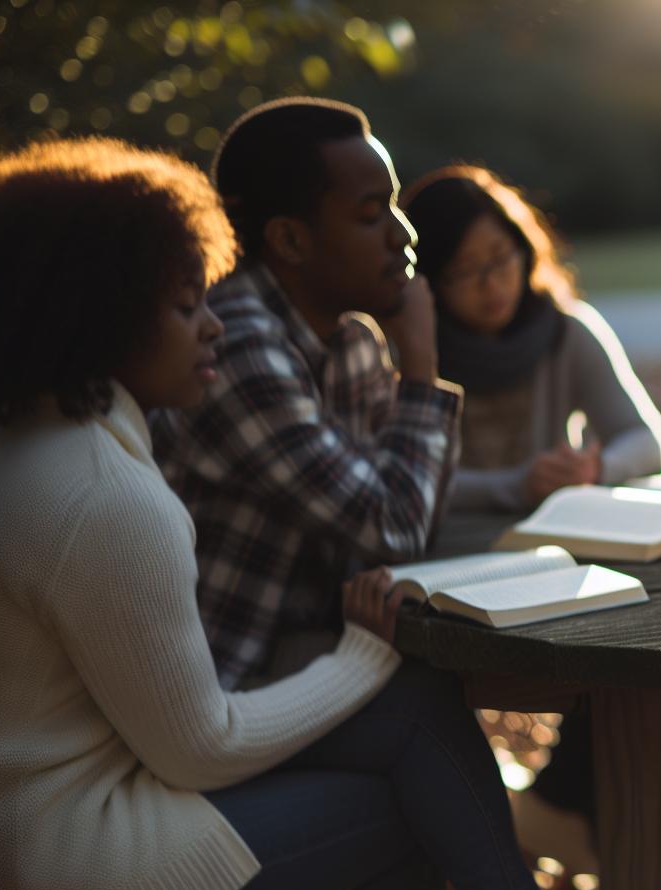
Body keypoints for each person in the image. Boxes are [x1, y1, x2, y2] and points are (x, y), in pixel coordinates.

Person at [0, 137, 593, 890]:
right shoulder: (104, 496)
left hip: (27, 844)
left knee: (411, 715)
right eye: (186, 303)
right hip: (66, 879)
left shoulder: (23, 445)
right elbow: (198, 746)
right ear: (104, 315)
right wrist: (362, 653)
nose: (214, 327)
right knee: (404, 810)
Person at [149, 97, 459, 688]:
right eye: (372, 215)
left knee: (425, 693)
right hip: (221, 681)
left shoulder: (351, 341)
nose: (405, 233)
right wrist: (420, 366)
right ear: (290, 240)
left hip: (306, 648)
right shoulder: (235, 347)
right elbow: (397, 526)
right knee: (422, 702)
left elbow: (407, 525)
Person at [401, 164, 661, 513]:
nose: (492, 285)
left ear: (524, 251)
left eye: (500, 258)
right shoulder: (408, 352)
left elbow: (648, 441)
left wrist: (595, 468)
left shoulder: (567, 331)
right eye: (465, 271)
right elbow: (402, 481)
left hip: (555, 540)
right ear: (429, 281)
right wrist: (517, 486)